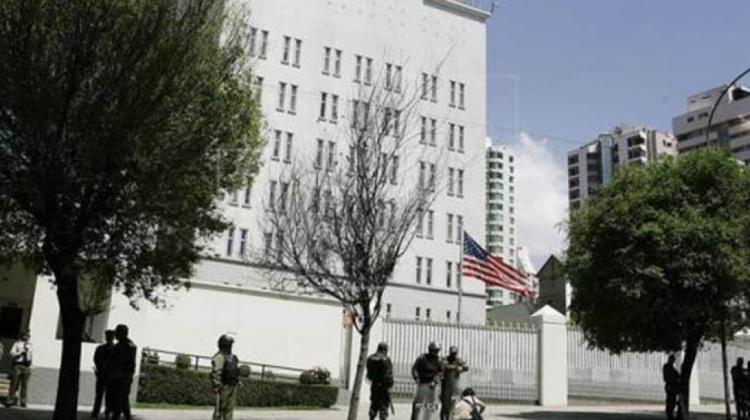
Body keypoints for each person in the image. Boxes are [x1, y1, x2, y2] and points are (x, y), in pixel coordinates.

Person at [109, 325, 137, 420]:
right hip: (127, 375)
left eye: (117, 332)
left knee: (118, 398)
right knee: (124, 398)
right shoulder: (131, 344)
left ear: (121, 333)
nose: (115, 334)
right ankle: (127, 416)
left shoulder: (121, 346)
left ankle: (116, 416)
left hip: (120, 376)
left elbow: (118, 361)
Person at [410, 342, 443, 420]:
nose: (436, 353)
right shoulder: (422, 358)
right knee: (418, 405)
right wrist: (416, 378)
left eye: (437, 351)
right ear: (430, 350)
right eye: (435, 350)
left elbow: (441, 372)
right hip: (422, 384)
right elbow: (414, 369)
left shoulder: (438, 360)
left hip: (433, 386)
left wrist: (435, 381)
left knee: (431, 406)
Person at [211, 334, 240, 420]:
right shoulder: (220, 356)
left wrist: (237, 380)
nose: (231, 346)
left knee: (229, 409)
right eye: (230, 344)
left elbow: (235, 370)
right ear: (225, 345)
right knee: (220, 409)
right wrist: (216, 385)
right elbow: (216, 372)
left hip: (233, 386)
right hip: (224, 386)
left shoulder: (233, 357)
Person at [91, 330, 115, 419]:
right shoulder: (102, 348)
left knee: (108, 395)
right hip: (103, 374)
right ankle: (98, 412)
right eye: (107, 336)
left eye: (110, 336)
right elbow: (96, 359)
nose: (108, 338)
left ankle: (106, 412)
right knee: (100, 394)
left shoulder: (113, 349)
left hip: (109, 374)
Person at [366, 342, 394, 420]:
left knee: (373, 405)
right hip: (384, 388)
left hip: (374, 386)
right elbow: (388, 375)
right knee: (383, 408)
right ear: (384, 350)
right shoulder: (386, 359)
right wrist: (390, 386)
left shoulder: (370, 358)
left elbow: (369, 375)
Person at [440, 346, 469, 420]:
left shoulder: (458, 360)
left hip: (455, 384)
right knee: (445, 404)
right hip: (446, 385)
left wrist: (462, 368)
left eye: (454, 354)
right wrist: (455, 367)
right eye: (452, 353)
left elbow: (466, 366)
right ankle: (443, 417)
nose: (453, 355)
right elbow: (443, 365)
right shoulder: (445, 359)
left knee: (455, 403)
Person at [6, 332, 32, 408]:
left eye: (28, 336)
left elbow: (31, 355)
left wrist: (31, 365)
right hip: (18, 365)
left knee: (25, 385)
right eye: (26, 336)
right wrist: (19, 353)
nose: (27, 337)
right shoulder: (17, 344)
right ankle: (10, 400)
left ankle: (23, 402)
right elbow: (11, 353)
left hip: (26, 366)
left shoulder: (30, 345)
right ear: (22, 336)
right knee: (14, 384)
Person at [663, 354, 681, 420]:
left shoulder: (672, 368)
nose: (673, 361)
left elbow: (677, 376)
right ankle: (669, 415)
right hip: (670, 386)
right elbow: (667, 378)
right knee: (670, 401)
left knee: (672, 401)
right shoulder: (667, 367)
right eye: (672, 359)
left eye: (674, 360)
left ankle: (670, 415)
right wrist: (675, 380)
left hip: (672, 387)